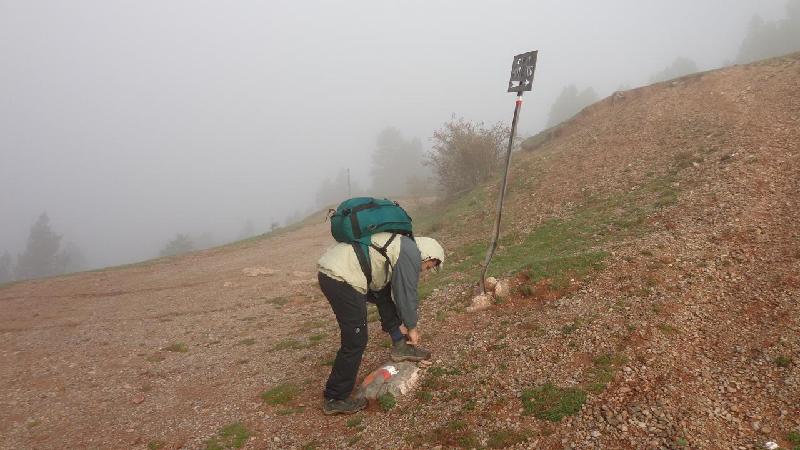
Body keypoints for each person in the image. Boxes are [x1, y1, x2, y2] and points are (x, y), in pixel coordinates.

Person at [316, 232, 445, 415]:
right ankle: (335, 398)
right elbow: (406, 295)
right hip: (340, 277)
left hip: (340, 270)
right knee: (356, 339)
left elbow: (383, 294)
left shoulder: (398, 248)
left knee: (382, 295)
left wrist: (400, 329)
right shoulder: (410, 254)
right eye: (429, 265)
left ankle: (400, 346)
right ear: (427, 255)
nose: (426, 270)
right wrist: (412, 327)